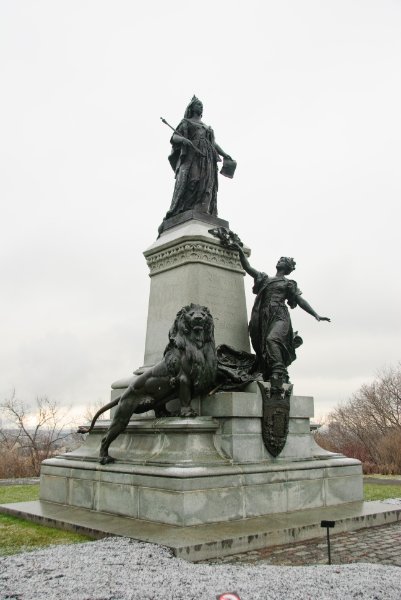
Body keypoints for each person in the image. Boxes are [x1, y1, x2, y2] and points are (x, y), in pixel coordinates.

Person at [233, 245, 330, 384]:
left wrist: (315, 314)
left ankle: (279, 373)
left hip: (280, 315)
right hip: (263, 316)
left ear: (288, 267)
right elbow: (247, 267)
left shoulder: (288, 283)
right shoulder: (265, 278)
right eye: (279, 259)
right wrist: (239, 249)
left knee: (272, 340)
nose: (279, 260)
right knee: (262, 347)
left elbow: (300, 300)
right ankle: (268, 371)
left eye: (283, 260)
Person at [163, 96, 233, 222]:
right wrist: (184, 140)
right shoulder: (186, 122)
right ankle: (187, 209)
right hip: (192, 155)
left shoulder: (207, 127)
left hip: (207, 157)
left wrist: (224, 154)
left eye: (201, 105)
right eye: (198, 105)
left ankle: (202, 209)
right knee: (193, 179)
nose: (200, 107)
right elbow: (174, 137)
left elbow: (213, 144)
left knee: (207, 183)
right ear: (191, 108)